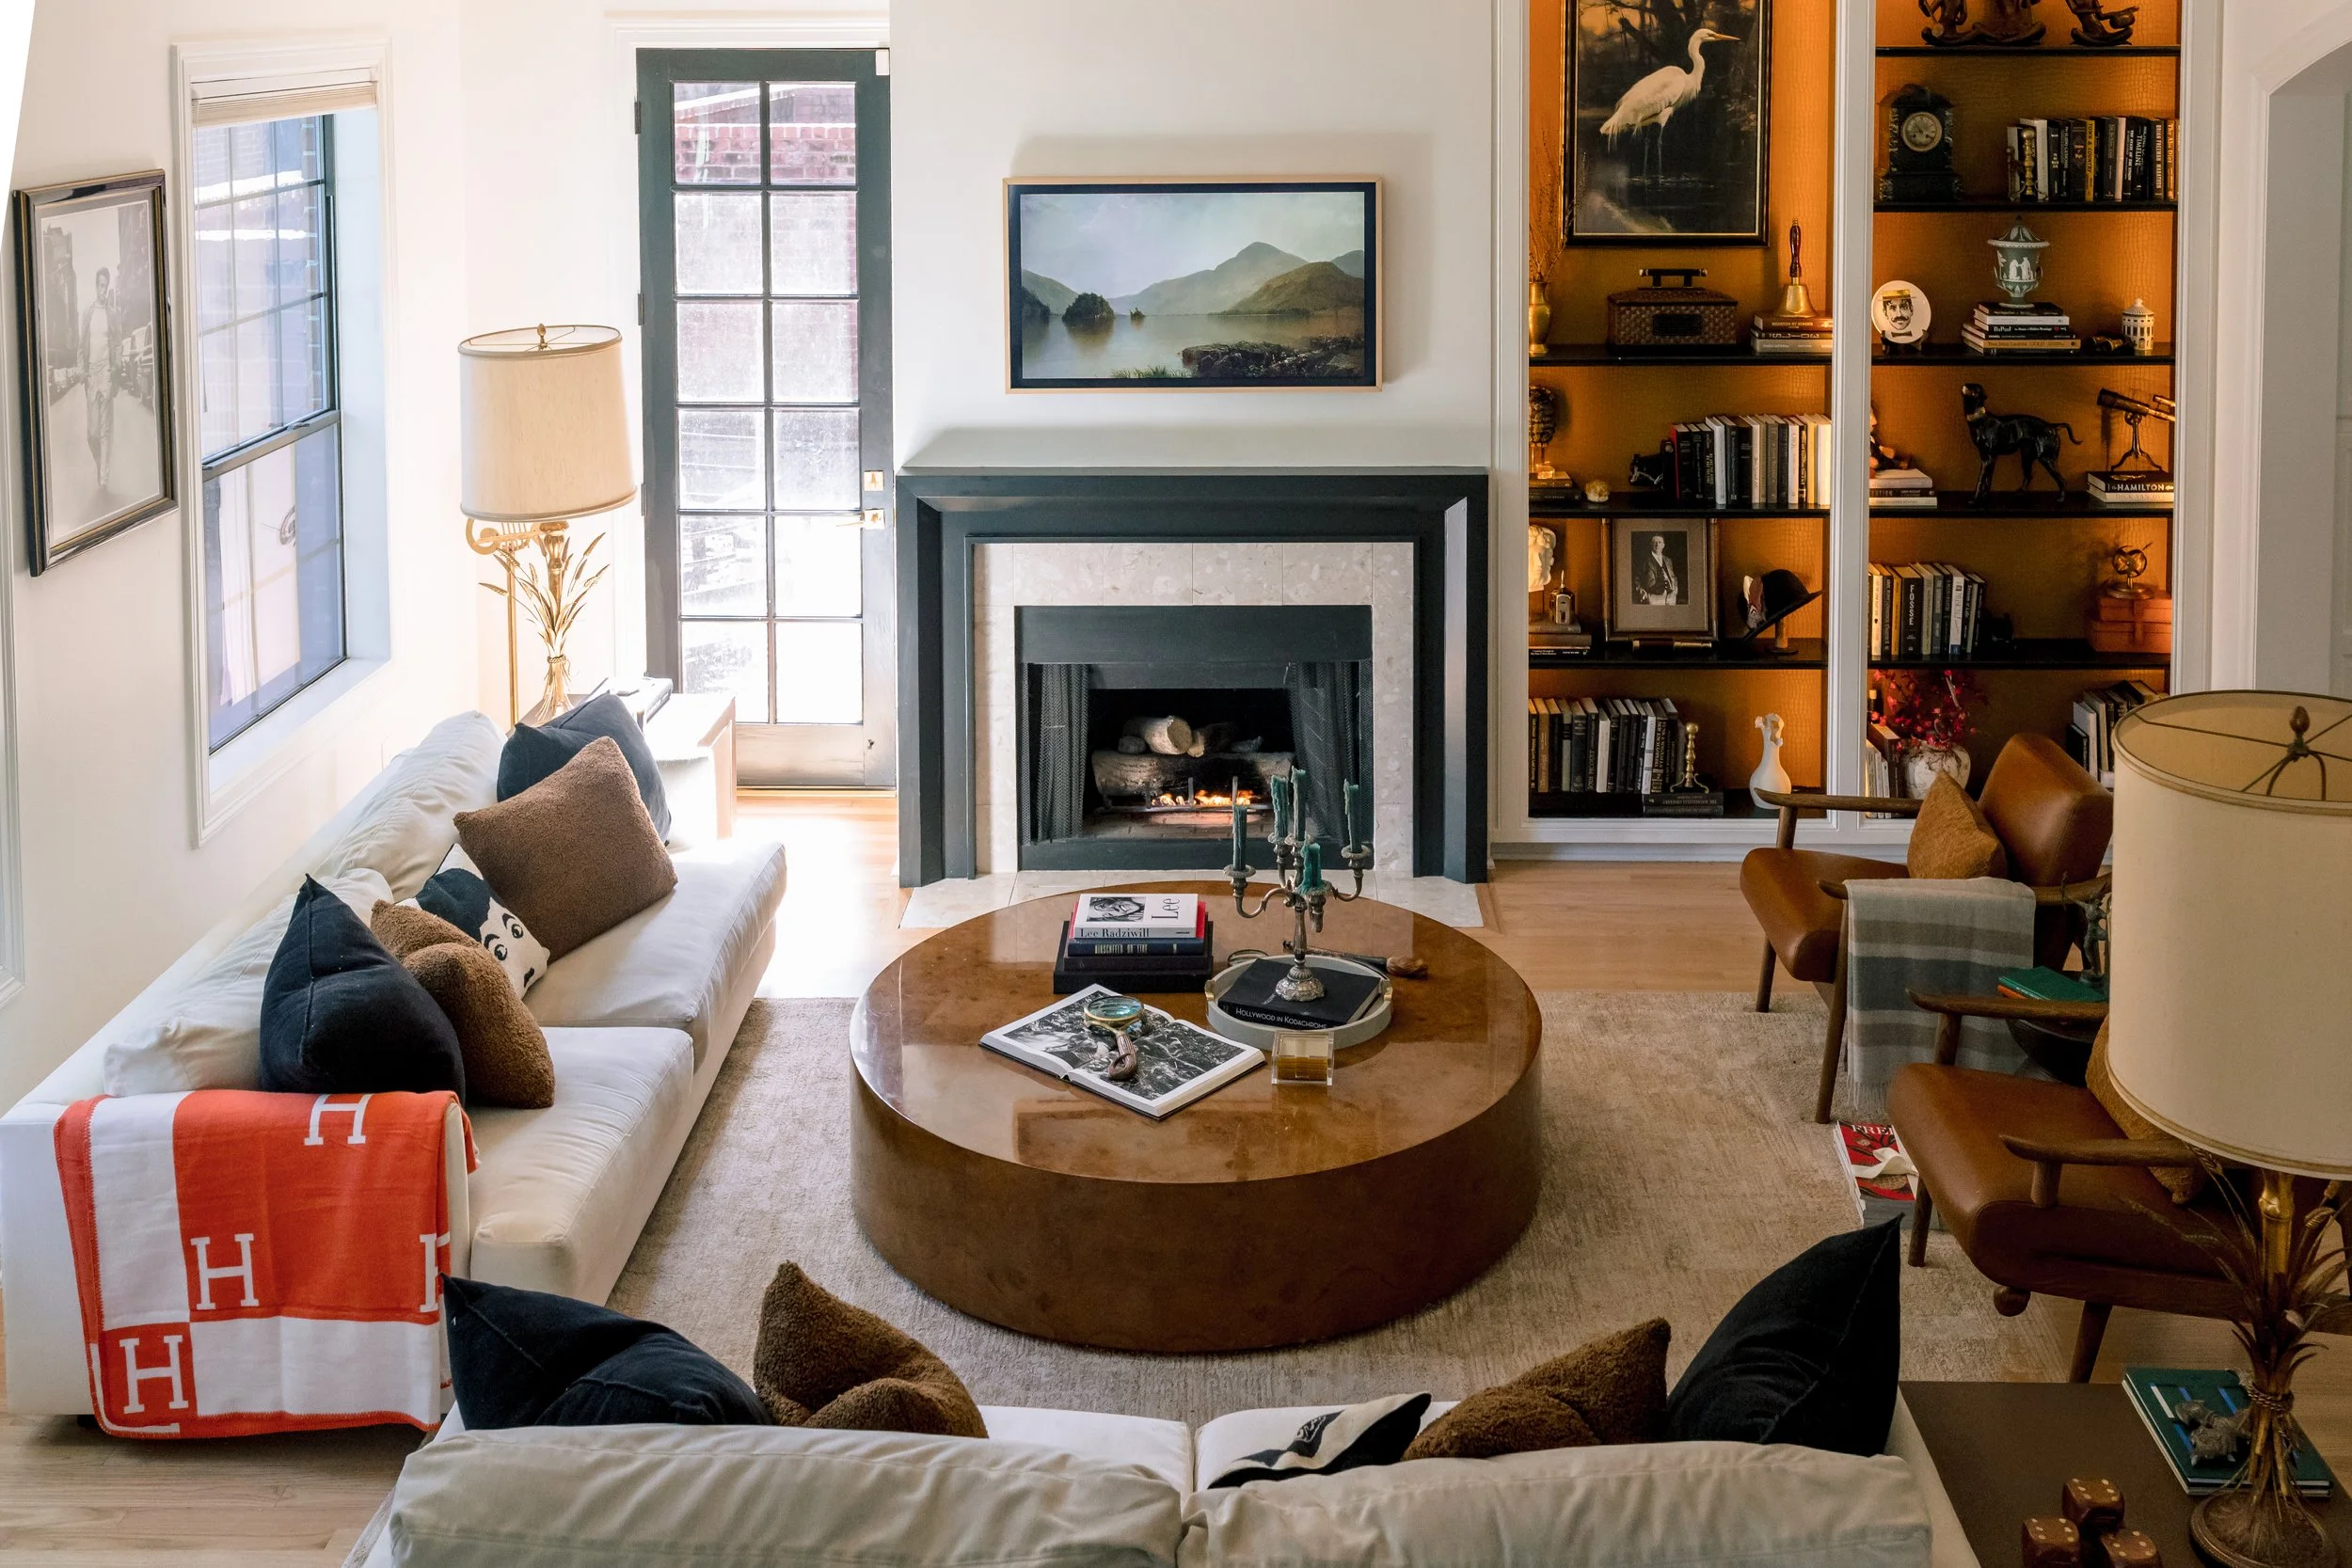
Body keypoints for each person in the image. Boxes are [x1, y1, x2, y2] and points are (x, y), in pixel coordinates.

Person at [81, 265, 116, 490]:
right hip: (92, 374)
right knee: (92, 433)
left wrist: (117, 366)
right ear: (96, 286)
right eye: (100, 285)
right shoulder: (88, 313)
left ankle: (103, 478)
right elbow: (81, 343)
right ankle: (98, 464)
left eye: (106, 286)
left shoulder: (112, 314)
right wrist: (82, 369)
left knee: (105, 431)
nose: (103, 289)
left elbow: (119, 342)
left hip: (107, 373)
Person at [1635, 532, 1680, 605]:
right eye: (1654, 542)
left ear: (1663, 545)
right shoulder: (1645, 560)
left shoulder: (1668, 560)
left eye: (1659, 542)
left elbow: (1673, 576)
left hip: (1670, 597)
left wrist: (1675, 589)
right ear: (1651, 545)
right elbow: (1637, 578)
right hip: (1654, 597)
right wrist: (1642, 592)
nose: (1657, 544)